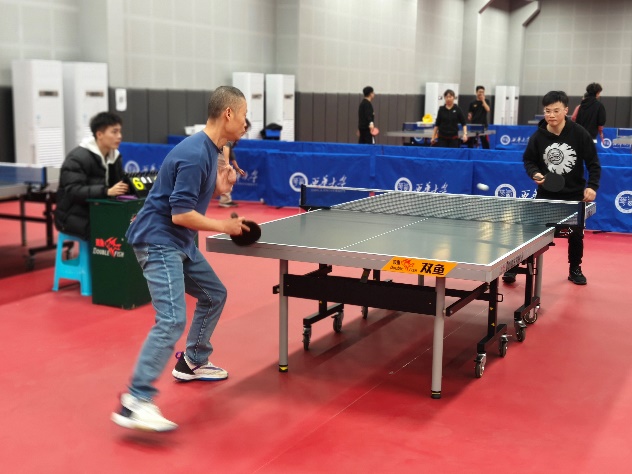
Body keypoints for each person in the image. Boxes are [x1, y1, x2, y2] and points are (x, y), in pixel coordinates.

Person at [111, 86, 250, 432]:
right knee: (171, 320)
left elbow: (197, 193)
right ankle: (135, 401)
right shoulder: (193, 153)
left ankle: (193, 361)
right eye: (244, 115)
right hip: (159, 241)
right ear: (228, 114)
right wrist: (224, 226)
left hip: (180, 242)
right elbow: (181, 213)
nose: (246, 123)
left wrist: (222, 185)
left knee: (214, 294)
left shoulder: (211, 150)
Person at [503, 90, 601, 286]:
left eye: (556, 111)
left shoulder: (579, 133)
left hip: (573, 195)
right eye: (548, 111)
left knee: (576, 235)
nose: (551, 115)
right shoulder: (538, 137)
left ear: (566, 110)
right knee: (529, 231)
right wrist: (535, 174)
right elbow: (529, 160)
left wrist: (592, 186)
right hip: (545, 194)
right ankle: (516, 265)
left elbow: (593, 164)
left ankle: (575, 268)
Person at [54, 112, 129, 240]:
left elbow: (118, 184)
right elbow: (73, 190)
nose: (119, 136)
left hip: (99, 210)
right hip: (74, 216)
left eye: (120, 131)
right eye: (114, 132)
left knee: (134, 224)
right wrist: (106, 191)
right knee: (116, 231)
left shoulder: (114, 156)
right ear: (99, 134)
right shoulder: (77, 158)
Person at [218, 119, 250, 208]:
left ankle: (225, 200)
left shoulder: (233, 135)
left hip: (220, 154)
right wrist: (228, 164)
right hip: (218, 154)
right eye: (244, 127)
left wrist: (237, 167)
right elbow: (227, 149)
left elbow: (230, 151)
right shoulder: (231, 134)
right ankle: (225, 201)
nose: (245, 131)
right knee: (226, 177)